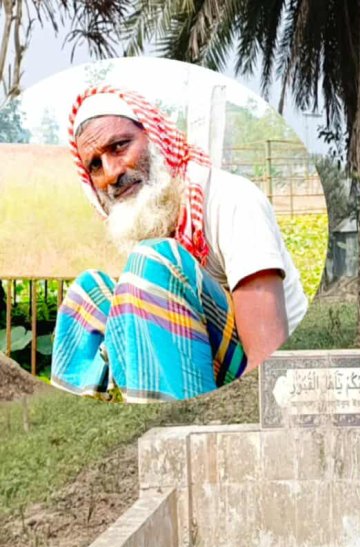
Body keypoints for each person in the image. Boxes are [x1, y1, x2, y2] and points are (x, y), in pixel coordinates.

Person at [51, 86, 308, 403]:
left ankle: (171, 427)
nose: (111, 174)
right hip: (208, 371)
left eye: (119, 146)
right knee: (86, 294)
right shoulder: (159, 218)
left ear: (156, 139)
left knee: (154, 262)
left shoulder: (231, 200)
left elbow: (269, 360)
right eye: (95, 166)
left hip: (275, 385)